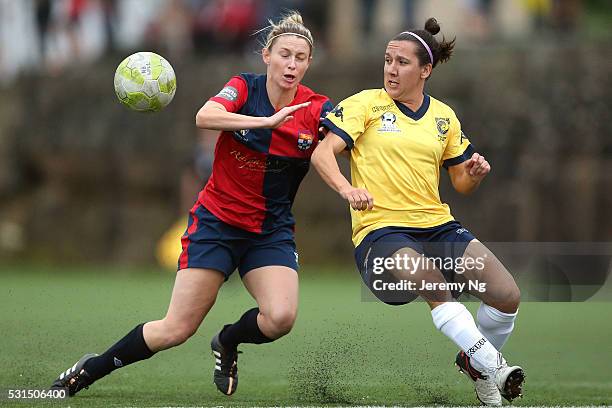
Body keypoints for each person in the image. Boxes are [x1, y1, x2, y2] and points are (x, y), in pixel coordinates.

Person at [51, 11, 333, 397]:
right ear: (267, 55)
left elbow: (344, 140)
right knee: (176, 329)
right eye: (284, 54)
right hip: (217, 224)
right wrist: (265, 123)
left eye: (300, 58)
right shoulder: (243, 88)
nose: (291, 64)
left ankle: (228, 342)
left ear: (308, 63)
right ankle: (90, 368)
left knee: (281, 318)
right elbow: (206, 115)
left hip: (270, 231)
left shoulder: (316, 107)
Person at [311, 18, 524, 406]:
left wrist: (473, 175)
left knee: (507, 295)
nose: (391, 69)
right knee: (431, 279)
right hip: (381, 233)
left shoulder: (444, 117)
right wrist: (347, 188)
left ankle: (474, 365)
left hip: (438, 226)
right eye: (388, 60)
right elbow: (322, 153)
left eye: (402, 63)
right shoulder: (365, 104)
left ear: (425, 70)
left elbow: (459, 181)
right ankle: (495, 365)